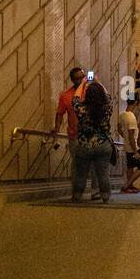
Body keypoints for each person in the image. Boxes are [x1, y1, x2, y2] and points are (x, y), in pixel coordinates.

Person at [72, 79, 115, 203]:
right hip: (103, 145)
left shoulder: (81, 109)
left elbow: (75, 98)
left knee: (81, 174)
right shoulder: (106, 108)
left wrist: (82, 83)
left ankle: (77, 196)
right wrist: (98, 81)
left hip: (84, 145)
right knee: (103, 174)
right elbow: (108, 97)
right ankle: (105, 197)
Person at [53, 65, 88, 194]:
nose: (81, 80)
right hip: (75, 135)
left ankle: (95, 190)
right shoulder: (66, 96)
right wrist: (57, 127)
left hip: (91, 135)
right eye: (78, 78)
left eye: (83, 77)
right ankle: (77, 190)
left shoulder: (90, 92)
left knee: (92, 162)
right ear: (73, 80)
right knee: (78, 163)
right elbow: (60, 113)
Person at [119, 94, 140, 193]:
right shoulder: (132, 117)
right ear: (136, 102)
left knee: (130, 167)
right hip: (133, 147)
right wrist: (136, 151)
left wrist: (125, 138)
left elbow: (119, 129)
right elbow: (131, 136)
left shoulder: (122, 115)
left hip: (127, 146)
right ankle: (127, 185)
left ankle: (130, 185)